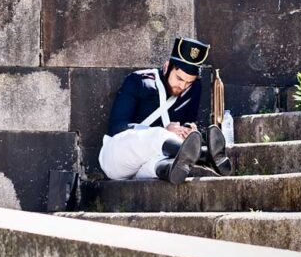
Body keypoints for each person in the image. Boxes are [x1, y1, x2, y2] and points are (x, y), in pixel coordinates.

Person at [98, 38, 232, 184]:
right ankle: (205, 157)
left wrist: (188, 129)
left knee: (163, 163)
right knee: (158, 134)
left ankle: (167, 169)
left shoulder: (194, 88)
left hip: (151, 163)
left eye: (189, 82)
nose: (182, 86)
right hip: (117, 157)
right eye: (179, 78)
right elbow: (116, 127)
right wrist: (165, 130)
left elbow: (189, 119)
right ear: (167, 67)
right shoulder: (138, 81)